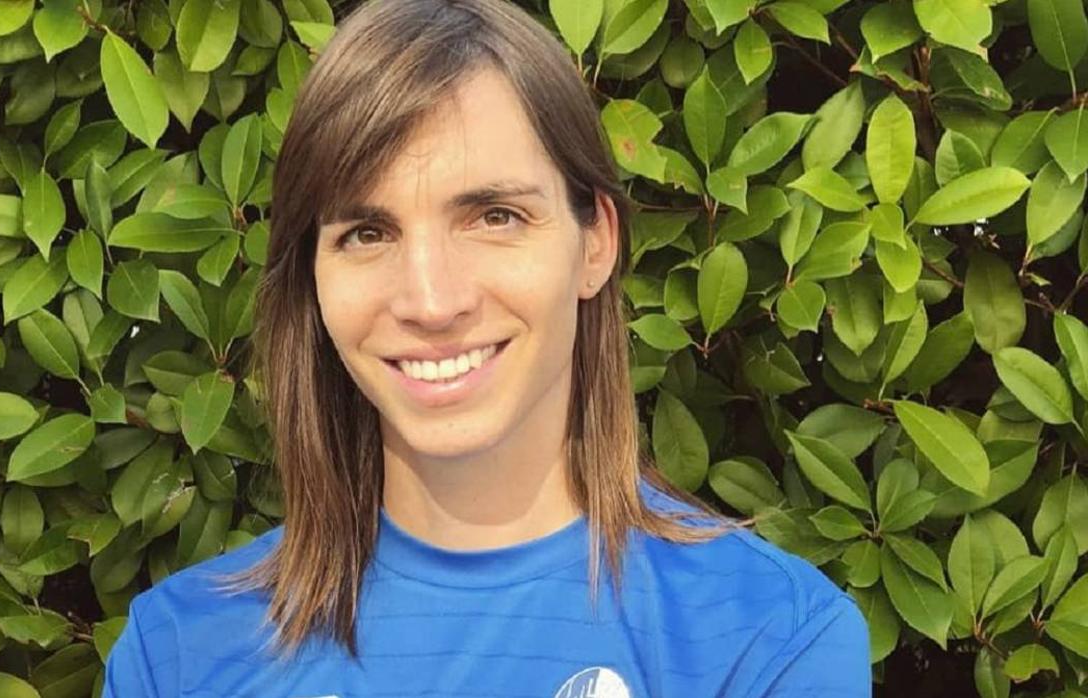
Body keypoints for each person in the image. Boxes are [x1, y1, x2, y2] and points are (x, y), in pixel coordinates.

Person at [102, 0, 871, 696]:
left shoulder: (769, 643)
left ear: (595, 242)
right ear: (313, 274)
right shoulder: (178, 657)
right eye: (367, 233)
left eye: (495, 216)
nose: (432, 301)